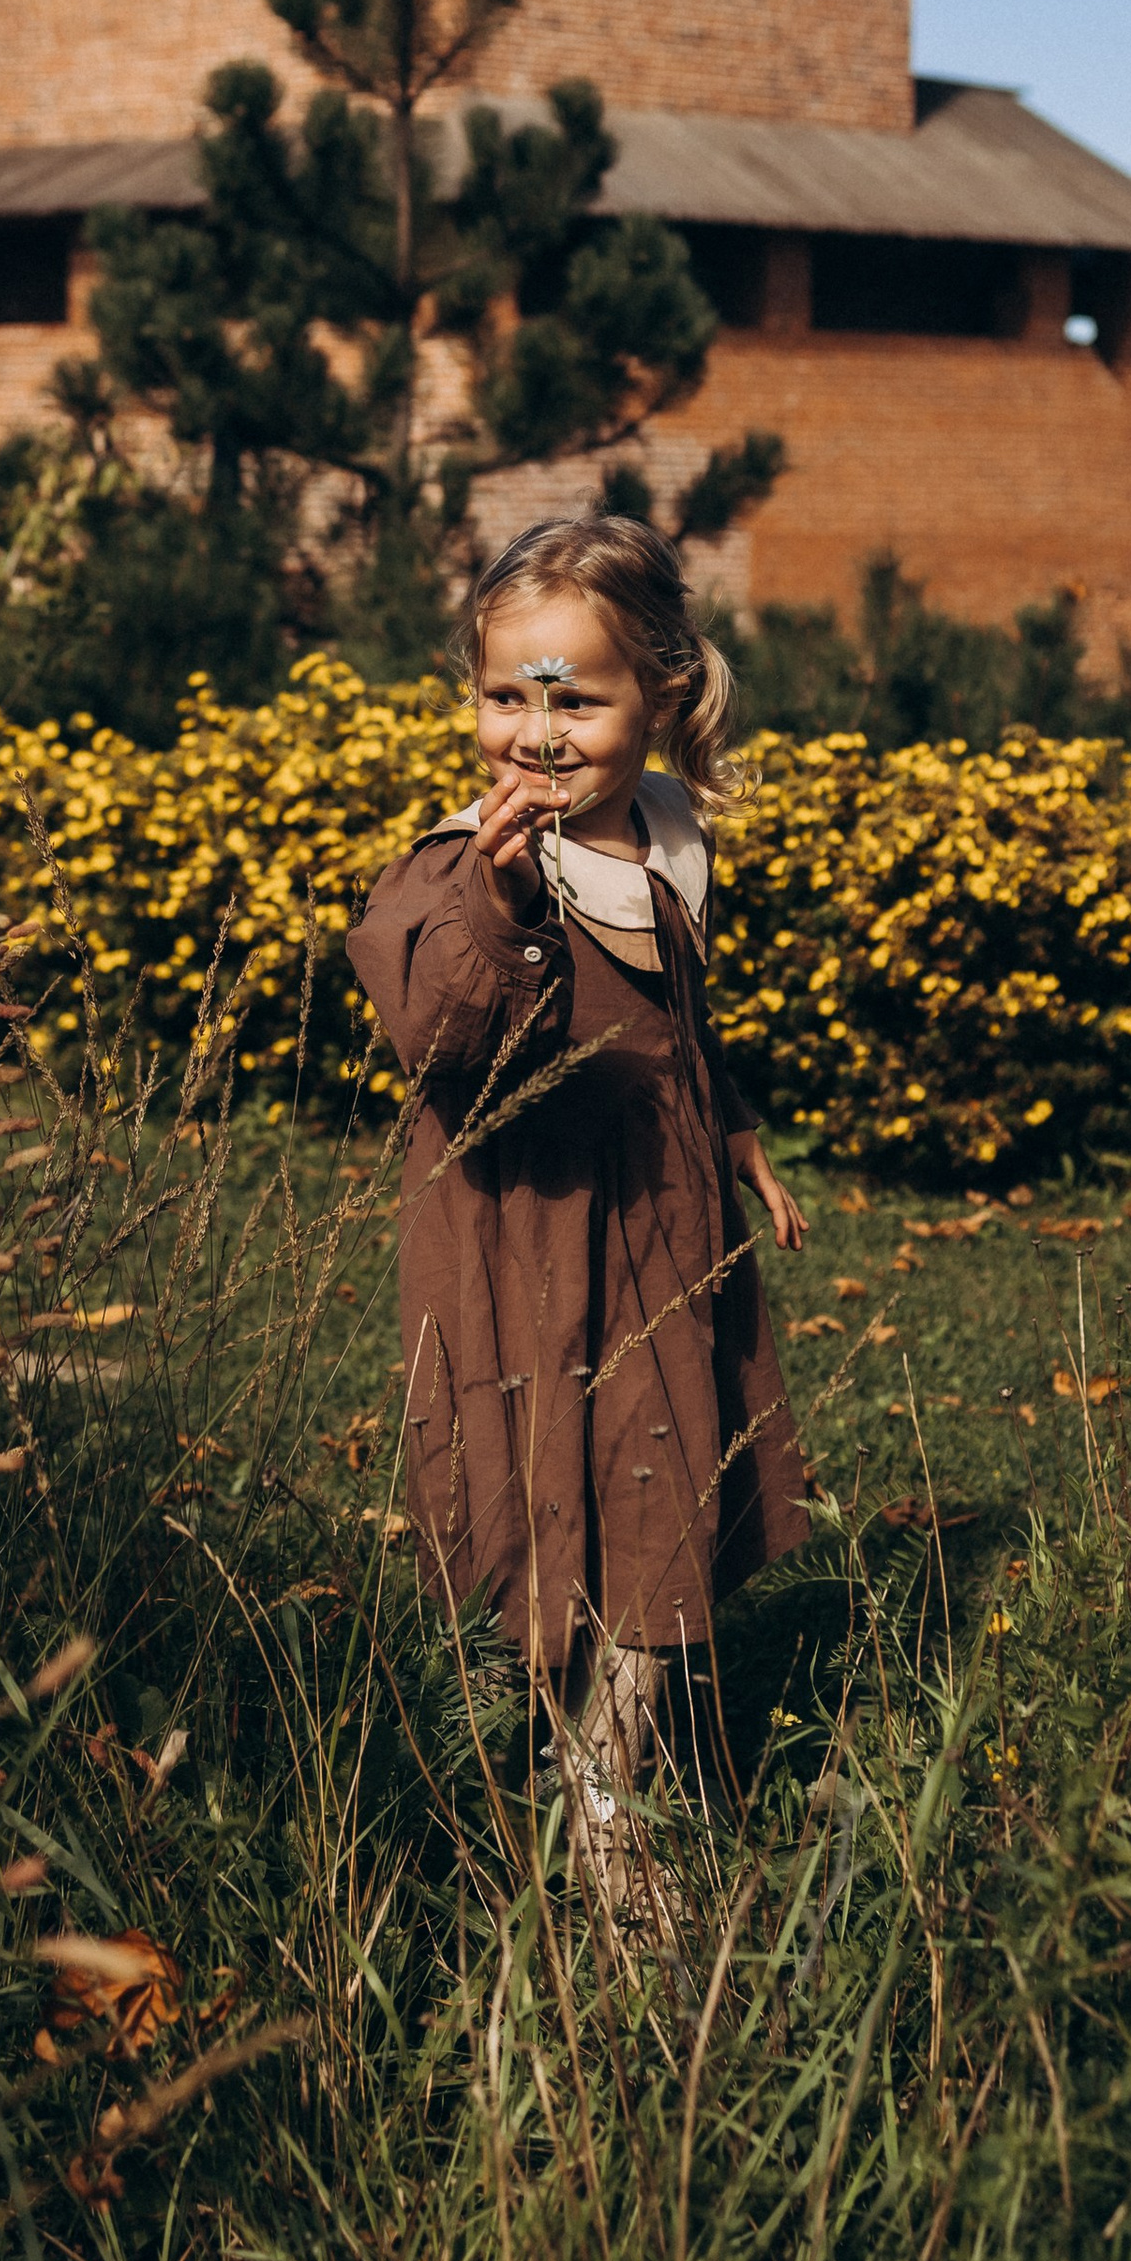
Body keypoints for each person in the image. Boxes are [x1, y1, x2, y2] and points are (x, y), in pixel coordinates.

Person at [347, 514, 809, 1905]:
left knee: (662, 1481)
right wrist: (501, 908)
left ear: (660, 695)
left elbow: (684, 1027)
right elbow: (437, 1030)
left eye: (576, 700)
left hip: (663, 1231)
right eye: (507, 695)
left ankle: (614, 1781)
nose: (537, 734)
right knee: (555, 1495)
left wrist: (739, 1141)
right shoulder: (465, 870)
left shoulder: (663, 837)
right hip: (533, 1248)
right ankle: (573, 1780)